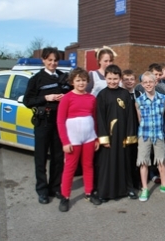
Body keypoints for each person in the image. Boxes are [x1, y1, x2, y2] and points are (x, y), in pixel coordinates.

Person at [23, 47, 72, 204]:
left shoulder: (64, 78)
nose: (52, 63)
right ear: (43, 60)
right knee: (41, 157)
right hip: (43, 122)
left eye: (55, 60)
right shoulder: (36, 79)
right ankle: (42, 190)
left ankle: (55, 187)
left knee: (58, 157)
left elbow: (72, 95)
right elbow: (27, 101)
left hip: (60, 123)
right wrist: (46, 97)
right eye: (49, 60)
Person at [56, 67, 101, 212]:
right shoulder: (67, 98)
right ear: (72, 82)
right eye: (78, 80)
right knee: (70, 167)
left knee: (88, 165)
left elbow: (94, 118)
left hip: (89, 137)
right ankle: (65, 196)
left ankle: (89, 192)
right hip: (73, 139)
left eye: (83, 80)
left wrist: (96, 138)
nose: (81, 83)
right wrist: (65, 142)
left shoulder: (91, 98)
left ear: (87, 81)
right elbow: (60, 121)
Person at [96, 65, 139, 200]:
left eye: (115, 78)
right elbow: (100, 118)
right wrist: (104, 138)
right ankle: (106, 192)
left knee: (125, 163)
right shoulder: (102, 95)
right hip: (109, 136)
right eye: (110, 78)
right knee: (108, 164)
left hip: (123, 136)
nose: (113, 81)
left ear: (120, 78)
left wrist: (130, 136)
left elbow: (131, 116)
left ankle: (128, 188)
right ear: (105, 78)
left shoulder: (125, 94)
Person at [135, 71, 165, 202]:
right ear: (142, 84)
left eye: (150, 82)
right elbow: (139, 119)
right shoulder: (139, 100)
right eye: (145, 82)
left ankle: (164, 184)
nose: (148, 84)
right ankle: (144, 188)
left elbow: (163, 116)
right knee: (143, 161)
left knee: (162, 160)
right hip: (144, 134)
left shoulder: (162, 98)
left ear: (155, 82)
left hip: (159, 133)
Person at [122, 69, 142, 191]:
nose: (129, 82)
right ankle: (126, 182)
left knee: (136, 156)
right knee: (126, 157)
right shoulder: (121, 94)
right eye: (126, 79)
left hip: (137, 128)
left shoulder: (139, 94)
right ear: (122, 81)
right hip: (125, 130)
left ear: (135, 80)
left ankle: (136, 181)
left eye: (131, 79)